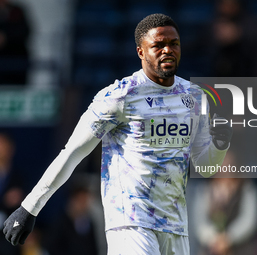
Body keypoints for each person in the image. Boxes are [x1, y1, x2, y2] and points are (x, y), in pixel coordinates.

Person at [3, 14, 233, 255]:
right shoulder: (119, 96)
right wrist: (29, 207)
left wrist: (219, 143)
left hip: (175, 226)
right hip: (131, 224)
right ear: (141, 52)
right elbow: (71, 153)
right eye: (158, 45)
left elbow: (205, 167)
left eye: (173, 43)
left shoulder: (195, 97)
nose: (167, 50)